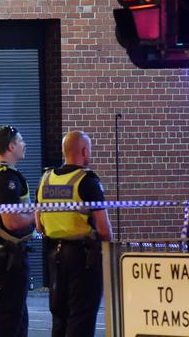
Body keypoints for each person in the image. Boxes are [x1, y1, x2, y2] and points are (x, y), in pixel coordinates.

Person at [36, 131, 112, 337]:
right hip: (83, 258)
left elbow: (39, 226)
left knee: (60, 317)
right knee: (81, 317)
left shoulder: (46, 179)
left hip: (54, 256)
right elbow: (104, 229)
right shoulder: (87, 181)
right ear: (84, 151)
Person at [0, 125, 35, 337]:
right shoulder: (7, 178)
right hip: (10, 255)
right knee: (9, 319)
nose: (24, 145)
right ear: (11, 146)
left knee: (15, 315)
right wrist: (38, 216)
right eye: (21, 142)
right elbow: (11, 222)